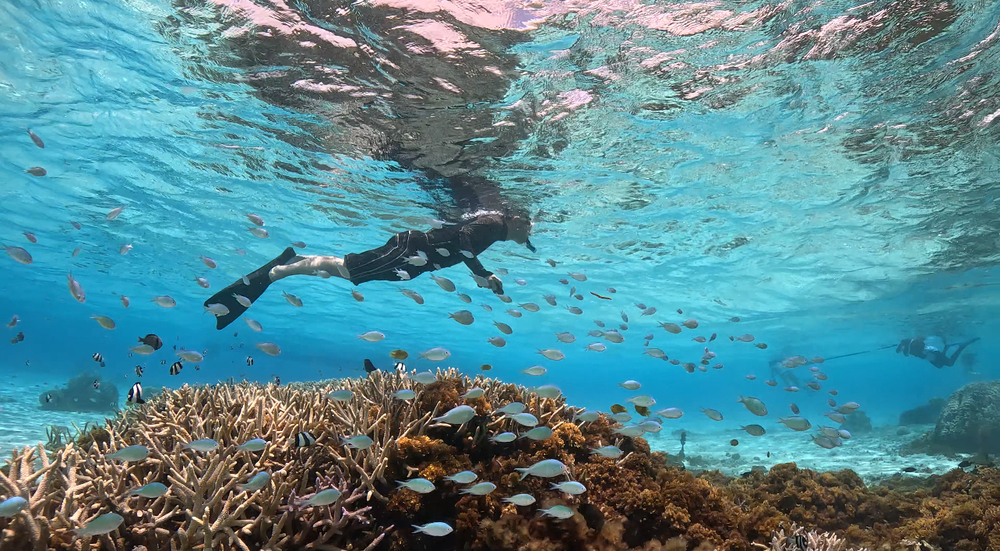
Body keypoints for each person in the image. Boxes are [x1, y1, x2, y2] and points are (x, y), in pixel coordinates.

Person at [205, 211, 535, 330]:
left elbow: (462, 240)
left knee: (350, 271)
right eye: (530, 225)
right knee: (350, 271)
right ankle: (282, 271)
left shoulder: (495, 229)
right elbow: (463, 237)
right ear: (517, 219)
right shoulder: (494, 223)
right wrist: (480, 272)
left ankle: (293, 263)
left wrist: (482, 273)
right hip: (411, 251)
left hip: (415, 260)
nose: (530, 233)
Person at [895, 336, 980, 368]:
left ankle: (961, 346)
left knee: (949, 363)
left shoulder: (911, 345)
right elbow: (899, 351)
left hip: (933, 354)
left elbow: (902, 352)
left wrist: (903, 347)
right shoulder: (910, 346)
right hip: (932, 355)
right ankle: (948, 347)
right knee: (941, 365)